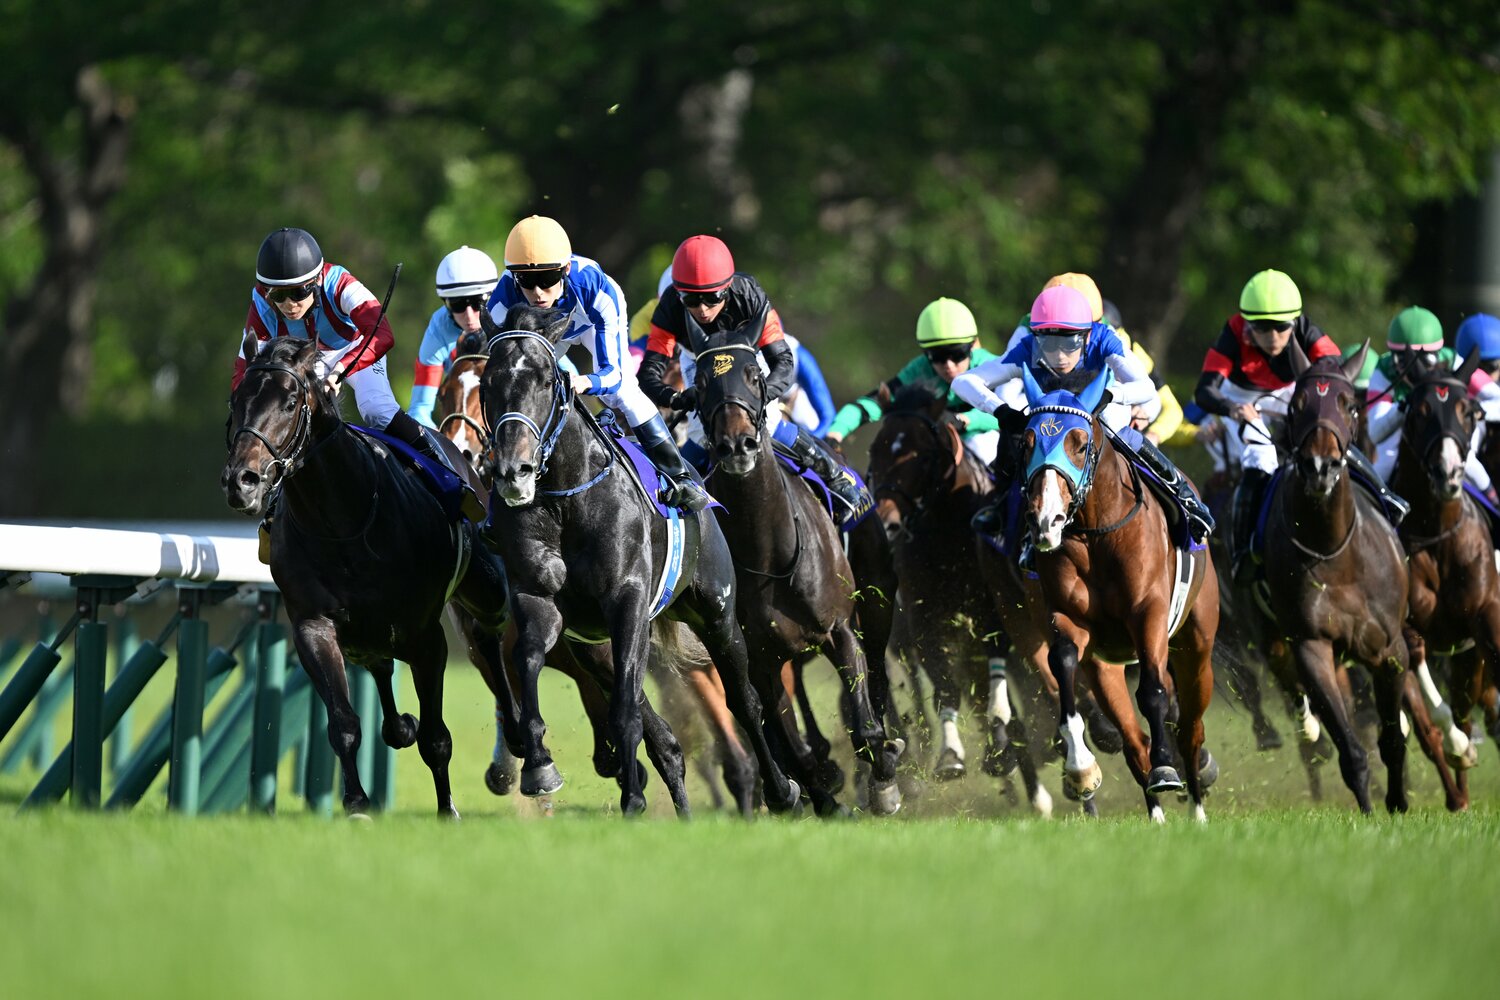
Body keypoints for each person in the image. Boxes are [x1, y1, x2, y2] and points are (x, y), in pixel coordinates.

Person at [234, 227, 481, 517]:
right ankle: (275, 511)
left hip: (357, 345)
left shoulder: (338, 282)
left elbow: (382, 334)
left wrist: (340, 370)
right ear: (266, 290)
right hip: (304, 357)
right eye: (279, 294)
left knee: (377, 410)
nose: (290, 304)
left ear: (316, 280)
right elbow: (244, 375)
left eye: (299, 292)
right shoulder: (260, 301)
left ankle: (448, 477)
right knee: (287, 425)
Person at [1194, 269, 1405, 584]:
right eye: (1263, 329)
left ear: (1295, 322)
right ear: (1247, 324)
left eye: (1281, 328)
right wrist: (1234, 409)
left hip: (1291, 390)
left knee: (1329, 438)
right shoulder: (1232, 334)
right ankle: (1244, 550)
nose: (1274, 338)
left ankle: (1385, 495)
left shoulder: (1307, 330)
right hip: (1242, 399)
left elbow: (1333, 374)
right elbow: (1204, 391)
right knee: (1261, 458)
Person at [637, 234, 870, 520]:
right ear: (678, 293)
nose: (703, 310)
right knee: (699, 429)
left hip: (748, 354)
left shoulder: (750, 294)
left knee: (768, 421)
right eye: (691, 300)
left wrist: (761, 395)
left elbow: (783, 360)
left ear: (727, 287)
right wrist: (676, 398)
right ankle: (673, 499)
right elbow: (649, 373)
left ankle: (834, 477)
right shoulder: (669, 307)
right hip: (696, 358)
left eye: (712, 298)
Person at [957, 284, 1214, 541]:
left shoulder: (1105, 338)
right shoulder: (1027, 345)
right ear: (1035, 334)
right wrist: (1000, 411)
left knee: (1123, 435)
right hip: (1052, 418)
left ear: (1088, 334)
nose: (1058, 355)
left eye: (1069, 343)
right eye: (1048, 341)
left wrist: (1112, 395)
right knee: (1018, 437)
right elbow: (963, 382)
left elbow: (1146, 388)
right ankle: (1001, 507)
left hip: (1102, 407)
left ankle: (1186, 499)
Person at [488, 216, 710, 511]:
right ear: (513, 277)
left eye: (548, 279)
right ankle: (498, 500)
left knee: (623, 393)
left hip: (589, 325)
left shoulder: (598, 288)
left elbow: (615, 374)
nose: (538, 292)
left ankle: (678, 476)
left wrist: (584, 381)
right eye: (527, 281)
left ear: (566, 269)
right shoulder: (500, 303)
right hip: (542, 336)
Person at [826, 297, 1003, 464]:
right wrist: (835, 433)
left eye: (957, 354)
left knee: (983, 445)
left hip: (987, 439)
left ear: (972, 346)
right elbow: (870, 404)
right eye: (938, 357)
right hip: (941, 444)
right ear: (926, 354)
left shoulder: (991, 366)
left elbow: (1012, 411)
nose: (948, 365)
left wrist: (966, 420)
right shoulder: (920, 369)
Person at [1365, 305, 1500, 491]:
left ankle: (1493, 501)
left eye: (1424, 361)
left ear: (1438, 353)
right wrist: (1403, 408)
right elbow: (1375, 432)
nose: (1413, 371)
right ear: (1392, 356)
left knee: (1465, 459)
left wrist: (1480, 410)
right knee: (1385, 461)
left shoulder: (1453, 361)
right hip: (1404, 431)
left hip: (1442, 429)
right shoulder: (1383, 370)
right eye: (1403, 361)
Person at [407, 245, 500, 428]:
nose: (469, 316)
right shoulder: (438, 329)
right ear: (445, 304)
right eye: (457, 304)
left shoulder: (508, 315)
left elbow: (562, 367)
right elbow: (419, 410)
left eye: (478, 303)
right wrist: (446, 450)